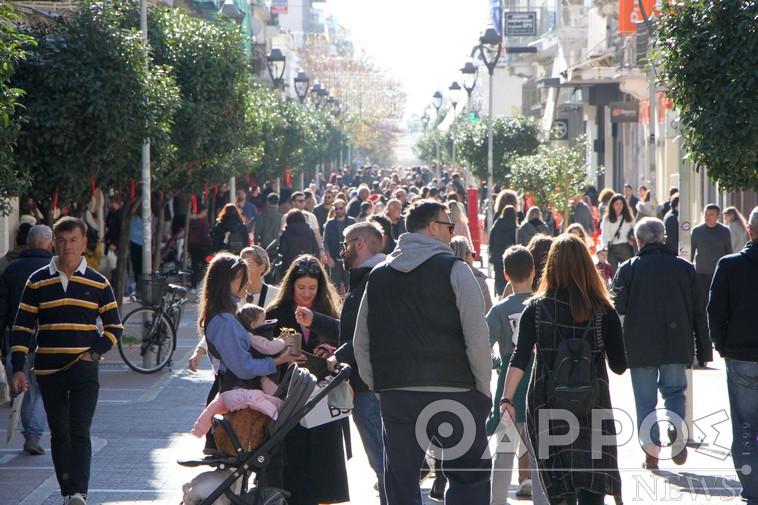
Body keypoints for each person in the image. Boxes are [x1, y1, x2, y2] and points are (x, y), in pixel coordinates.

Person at [354, 200, 492, 505]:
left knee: (400, 484)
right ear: (433, 228)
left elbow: (360, 343)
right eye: (449, 226)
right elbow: (477, 337)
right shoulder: (456, 270)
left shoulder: (377, 276)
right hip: (456, 392)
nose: (451, 232)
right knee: (470, 477)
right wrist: (483, 390)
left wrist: (380, 387)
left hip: (397, 395)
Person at [499, 234, 627, 505]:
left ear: (551, 266)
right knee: (592, 483)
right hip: (593, 403)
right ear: (587, 266)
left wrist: (507, 398)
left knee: (559, 485)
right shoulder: (604, 310)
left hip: (547, 404)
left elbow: (519, 358)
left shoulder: (534, 309)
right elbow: (619, 366)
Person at [9, 217, 123, 505]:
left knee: (79, 429)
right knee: (59, 432)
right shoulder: (37, 280)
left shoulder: (99, 282)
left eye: (73, 240)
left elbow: (114, 327)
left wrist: (93, 354)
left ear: (84, 243)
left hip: (84, 368)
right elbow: (22, 327)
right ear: (53, 244)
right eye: (61, 241)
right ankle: (66, 489)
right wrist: (18, 367)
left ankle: (79, 493)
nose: (67, 246)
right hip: (48, 370)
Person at [294, 222, 389, 505]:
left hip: (369, 384)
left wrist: (340, 356)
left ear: (360, 243)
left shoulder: (374, 279)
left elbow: (370, 334)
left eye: (345, 244)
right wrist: (317, 320)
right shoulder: (368, 277)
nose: (342, 250)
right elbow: (354, 331)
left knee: (384, 462)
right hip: (367, 382)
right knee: (384, 462)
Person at [612, 217, 712, 470]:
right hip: (676, 344)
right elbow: (699, 312)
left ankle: (652, 452)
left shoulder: (628, 268)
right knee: (675, 392)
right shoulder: (685, 268)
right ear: (664, 238)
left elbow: (617, 308)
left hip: (640, 347)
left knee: (645, 402)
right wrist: (704, 350)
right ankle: (675, 429)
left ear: (639, 241)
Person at [195, 253, 301, 463]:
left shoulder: (226, 314)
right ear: (226, 282)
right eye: (241, 278)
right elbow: (243, 367)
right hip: (239, 399)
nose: (247, 283)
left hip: (235, 395)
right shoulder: (225, 320)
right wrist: (277, 361)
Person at [266, 255, 349, 505]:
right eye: (301, 288)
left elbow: (344, 339)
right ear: (291, 286)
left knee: (325, 463)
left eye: (312, 288)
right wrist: (284, 356)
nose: (306, 293)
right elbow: (264, 349)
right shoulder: (276, 312)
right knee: (294, 461)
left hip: (323, 395)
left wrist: (329, 349)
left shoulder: (328, 310)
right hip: (291, 397)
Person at [486, 246, 546, 505]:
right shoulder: (543, 304)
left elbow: (481, 347)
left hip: (508, 388)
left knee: (504, 452)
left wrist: (498, 362)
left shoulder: (499, 310)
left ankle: (497, 501)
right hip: (538, 384)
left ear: (506, 274)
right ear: (534, 272)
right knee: (538, 454)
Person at [707, 206, 758, 505]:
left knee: (745, 427)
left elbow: (715, 312)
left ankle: (752, 491)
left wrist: (723, 346)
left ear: (749, 231)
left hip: (740, 356)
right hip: (739, 353)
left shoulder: (729, 265)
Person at [0, 225, 54, 455]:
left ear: (29, 243)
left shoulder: (11, 269)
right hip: (49, 341)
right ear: (50, 244)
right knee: (42, 390)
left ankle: (30, 434)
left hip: (18, 341)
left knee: (24, 389)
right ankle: (33, 434)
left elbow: (1, 310)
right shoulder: (56, 268)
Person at [235, 303, 295, 395]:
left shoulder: (253, 334)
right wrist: (283, 342)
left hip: (263, 367)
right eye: (263, 320)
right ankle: (275, 397)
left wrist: (277, 341)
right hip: (263, 372)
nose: (265, 323)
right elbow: (268, 347)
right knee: (268, 381)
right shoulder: (251, 336)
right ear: (253, 324)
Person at [691, 204, 732, 313]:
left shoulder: (725, 231)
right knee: (703, 303)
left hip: (719, 273)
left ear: (718, 216)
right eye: (706, 214)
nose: (708, 217)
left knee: (718, 302)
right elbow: (691, 253)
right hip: (701, 273)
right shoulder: (697, 231)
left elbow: (729, 252)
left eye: (711, 215)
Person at [450, 236, 492, 314]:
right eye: (472, 254)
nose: (473, 258)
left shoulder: (444, 279)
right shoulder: (479, 283)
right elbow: (488, 314)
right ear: (467, 256)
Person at [323, 200, 356, 293]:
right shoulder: (329, 224)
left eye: (341, 208)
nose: (339, 211)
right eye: (336, 209)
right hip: (334, 259)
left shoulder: (352, 221)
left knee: (350, 286)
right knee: (334, 287)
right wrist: (328, 258)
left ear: (345, 207)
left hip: (349, 260)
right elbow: (325, 241)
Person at [600, 193, 636, 270]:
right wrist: (604, 247)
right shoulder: (608, 218)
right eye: (617, 204)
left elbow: (636, 229)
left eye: (621, 204)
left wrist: (633, 239)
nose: (619, 206)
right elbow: (604, 235)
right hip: (612, 248)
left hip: (626, 247)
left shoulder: (629, 217)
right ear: (612, 205)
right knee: (614, 273)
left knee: (627, 271)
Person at [490, 205, 520, 297]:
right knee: (510, 278)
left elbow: (491, 240)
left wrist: (492, 252)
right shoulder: (515, 227)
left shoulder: (496, 224)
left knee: (498, 278)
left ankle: (500, 296)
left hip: (497, 256)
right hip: (510, 257)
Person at [187, 203, 212, 289]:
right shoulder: (203, 223)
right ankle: (206, 282)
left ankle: (193, 284)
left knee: (195, 266)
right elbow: (205, 235)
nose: (205, 214)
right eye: (205, 212)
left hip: (193, 247)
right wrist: (210, 242)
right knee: (209, 262)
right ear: (202, 211)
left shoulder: (190, 222)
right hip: (203, 247)